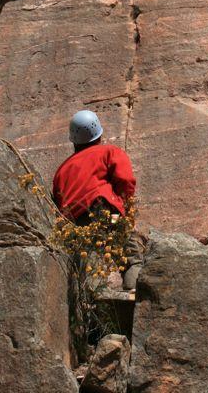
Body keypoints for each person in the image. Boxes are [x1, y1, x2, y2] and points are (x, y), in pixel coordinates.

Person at [53, 110, 143, 290]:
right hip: (106, 212)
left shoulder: (61, 170)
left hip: (76, 225)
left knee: (90, 261)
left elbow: (58, 201)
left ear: (73, 140)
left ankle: (91, 299)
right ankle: (134, 291)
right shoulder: (109, 152)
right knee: (131, 257)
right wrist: (126, 212)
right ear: (99, 135)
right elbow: (125, 181)